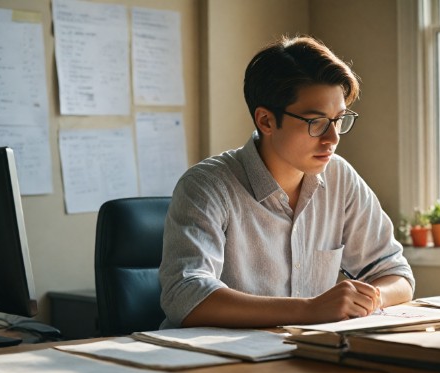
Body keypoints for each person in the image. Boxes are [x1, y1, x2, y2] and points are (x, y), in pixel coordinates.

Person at [159, 35, 414, 329]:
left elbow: (397, 274)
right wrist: (308, 311)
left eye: (339, 120)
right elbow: (185, 296)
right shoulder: (207, 185)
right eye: (315, 123)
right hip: (215, 361)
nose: (332, 139)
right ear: (266, 121)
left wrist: (372, 298)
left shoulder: (339, 177)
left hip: (306, 355)